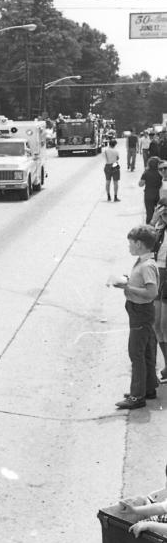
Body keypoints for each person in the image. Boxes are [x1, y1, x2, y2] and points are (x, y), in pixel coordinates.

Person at [112, 224, 160, 410]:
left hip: (141, 313)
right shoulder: (143, 261)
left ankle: (136, 396)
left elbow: (151, 293)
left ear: (139, 244)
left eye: (131, 243)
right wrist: (128, 281)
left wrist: (127, 288)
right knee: (146, 351)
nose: (129, 246)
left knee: (136, 353)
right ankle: (148, 388)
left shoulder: (146, 265)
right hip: (140, 313)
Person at [151, 191, 167, 382]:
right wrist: (155, 219)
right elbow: (143, 243)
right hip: (158, 275)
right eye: (163, 213)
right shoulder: (159, 229)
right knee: (157, 324)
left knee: (164, 325)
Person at [139, 156, 162, 223]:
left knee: (149, 214)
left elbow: (141, 184)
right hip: (159, 194)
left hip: (149, 195)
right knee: (160, 213)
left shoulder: (146, 173)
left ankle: (149, 230)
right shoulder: (161, 172)